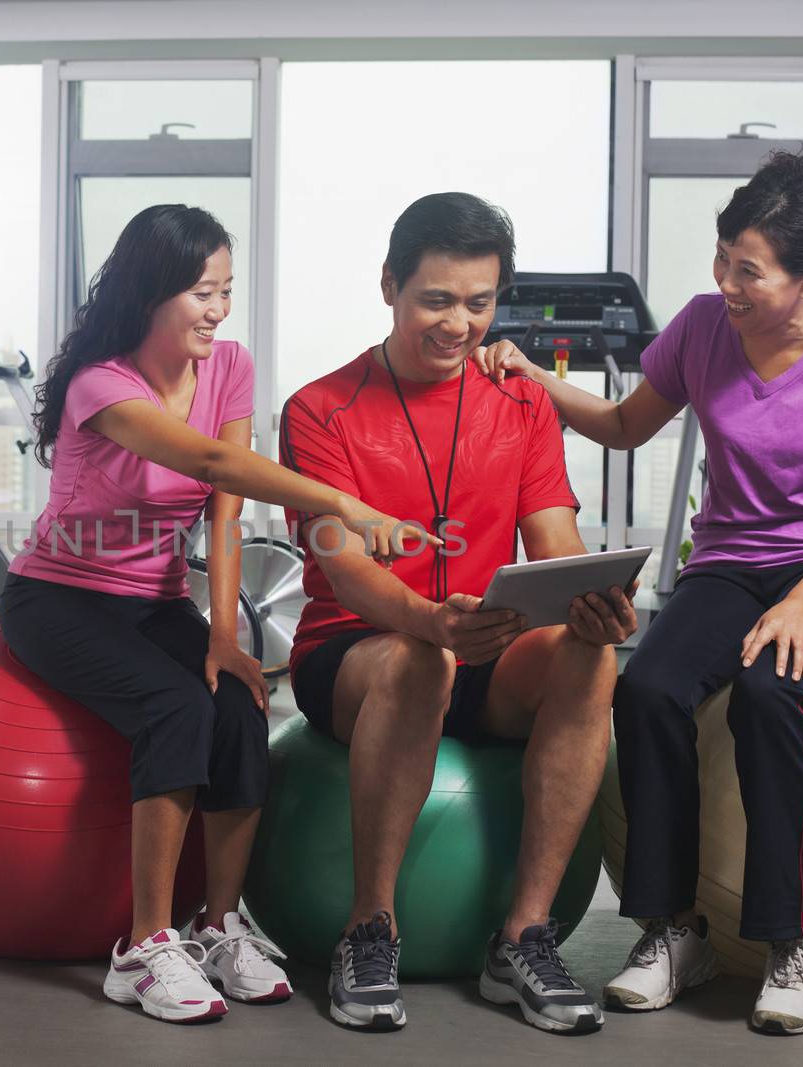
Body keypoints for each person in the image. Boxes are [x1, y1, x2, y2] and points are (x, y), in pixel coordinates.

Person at [481, 151, 803, 1035]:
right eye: (722, 260)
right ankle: (674, 930)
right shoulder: (703, 327)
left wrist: (801, 605)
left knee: (769, 692)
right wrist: (531, 377)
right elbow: (624, 425)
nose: (726, 284)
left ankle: (792, 943)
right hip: (730, 562)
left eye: (747, 271)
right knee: (646, 688)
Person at [0, 204, 432, 1026]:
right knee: (171, 706)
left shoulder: (228, 365)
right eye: (202, 291)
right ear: (150, 293)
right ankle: (144, 946)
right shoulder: (103, 383)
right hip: (58, 598)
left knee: (236, 704)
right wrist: (344, 500)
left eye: (227, 290)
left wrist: (227, 637)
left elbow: (225, 508)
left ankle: (218, 924)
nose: (219, 310)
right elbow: (208, 457)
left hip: (157, 598)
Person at [279, 192, 637, 1036]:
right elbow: (348, 570)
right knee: (418, 660)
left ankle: (524, 935)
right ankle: (370, 927)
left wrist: (590, 599)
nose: (459, 324)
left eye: (480, 303)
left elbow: (555, 539)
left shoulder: (522, 405)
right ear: (389, 287)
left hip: (488, 641)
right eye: (437, 300)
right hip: (356, 651)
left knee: (591, 656)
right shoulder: (318, 410)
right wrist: (432, 625)